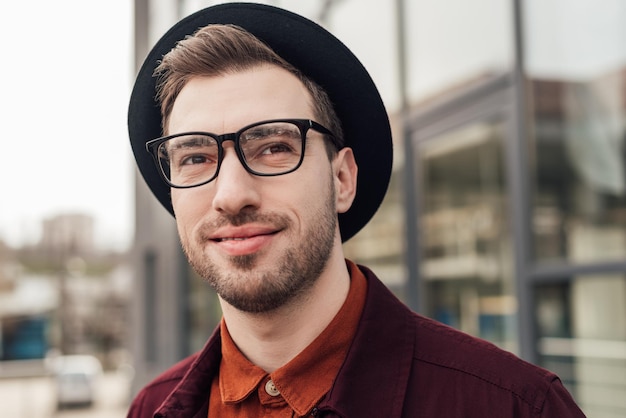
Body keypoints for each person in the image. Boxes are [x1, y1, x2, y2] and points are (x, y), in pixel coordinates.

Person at [127, 3, 586, 417]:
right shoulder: (150, 409)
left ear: (342, 179)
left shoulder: (513, 406)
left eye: (272, 147)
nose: (230, 194)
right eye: (194, 158)